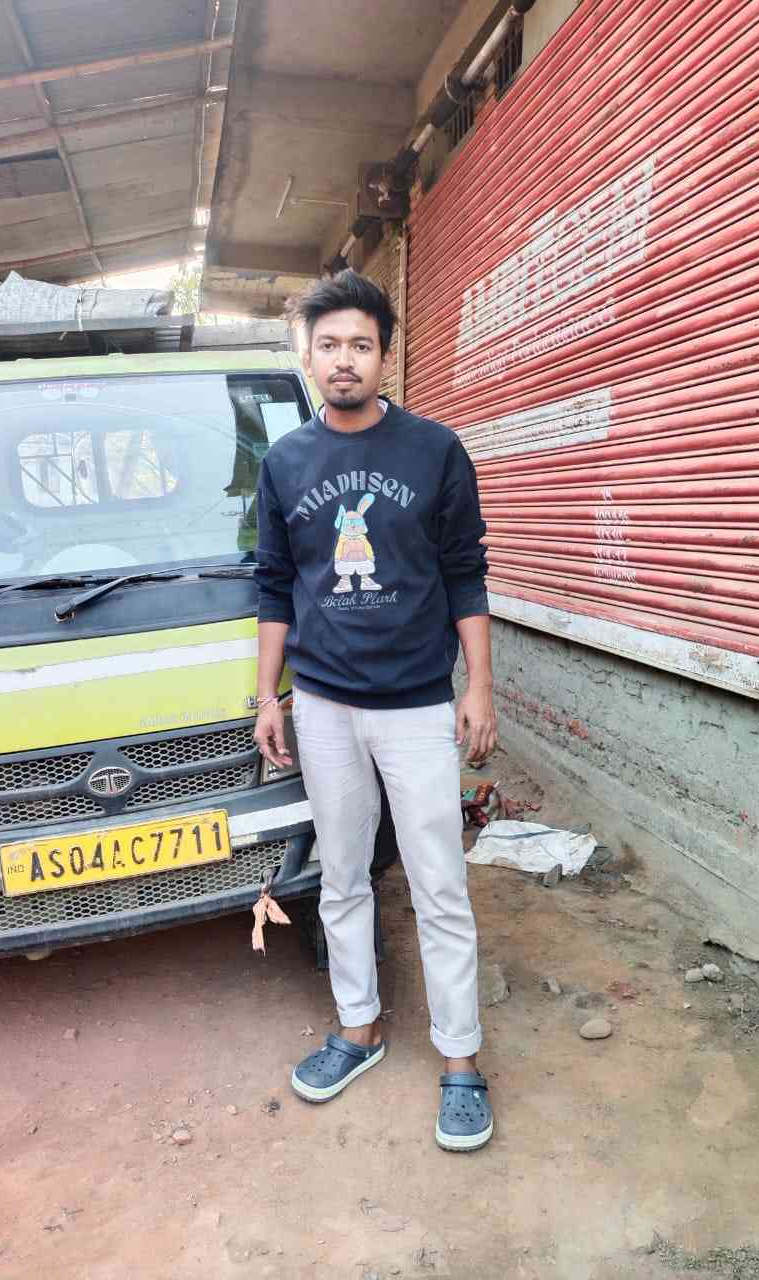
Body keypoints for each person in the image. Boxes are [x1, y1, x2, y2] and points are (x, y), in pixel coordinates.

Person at [252, 269, 498, 1152]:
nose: (344, 359)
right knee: (343, 875)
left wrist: (478, 686)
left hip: (415, 705)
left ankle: (461, 1059)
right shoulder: (285, 462)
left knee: (439, 882)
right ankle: (357, 1028)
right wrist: (268, 695)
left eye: (361, 344)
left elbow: (466, 571)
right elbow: (274, 583)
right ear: (307, 357)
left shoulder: (434, 450)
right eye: (329, 345)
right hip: (322, 706)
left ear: (385, 355)